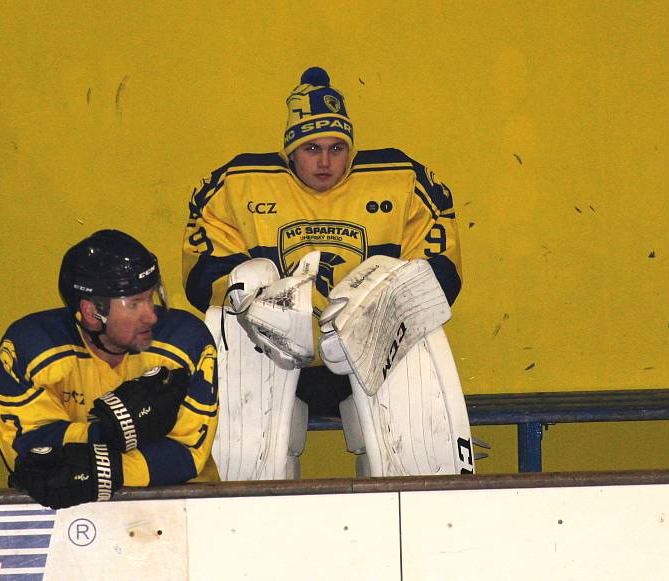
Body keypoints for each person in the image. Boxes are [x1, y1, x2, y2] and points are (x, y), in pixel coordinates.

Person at [182, 67, 471, 479]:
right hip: (274, 360)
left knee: (404, 455)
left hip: (375, 358)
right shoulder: (238, 185)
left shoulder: (402, 180)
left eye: (337, 148)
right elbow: (201, 278)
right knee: (251, 278)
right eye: (311, 148)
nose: (324, 162)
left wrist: (376, 309)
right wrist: (262, 303)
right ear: (289, 151)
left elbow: (439, 276)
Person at [0, 230, 218, 509]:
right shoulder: (31, 347)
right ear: (91, 312)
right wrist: (110, 433)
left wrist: (100, 469)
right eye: (135, 303)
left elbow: (186, 454)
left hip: (185, 505)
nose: (151, 314)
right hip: (69, 508)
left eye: (151, 297)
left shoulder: (186, 341)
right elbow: (32, 453)